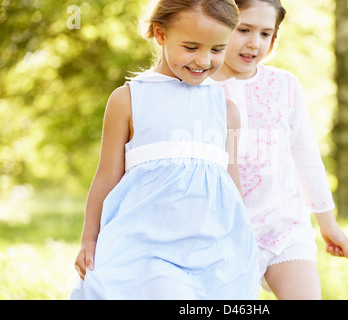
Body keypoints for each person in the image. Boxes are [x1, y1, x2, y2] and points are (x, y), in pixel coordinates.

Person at [68, 0, 259, 300]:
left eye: (217, 49)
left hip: (209, 249)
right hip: (146, 246)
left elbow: (230, 183)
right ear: (160, 34)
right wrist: (89, 239)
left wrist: (243, 241)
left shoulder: (226, 110)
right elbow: (106, 178)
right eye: (191, 47)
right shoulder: (128, 99)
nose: (203, 60)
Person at [210, 0, 348, 300]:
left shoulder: (285, 85)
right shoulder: (198, 85)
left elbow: (306, 157)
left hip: (283, 224)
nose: (254, 43)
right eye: (244, 29)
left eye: (265, 34)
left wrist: (328, 224)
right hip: (219, 232)